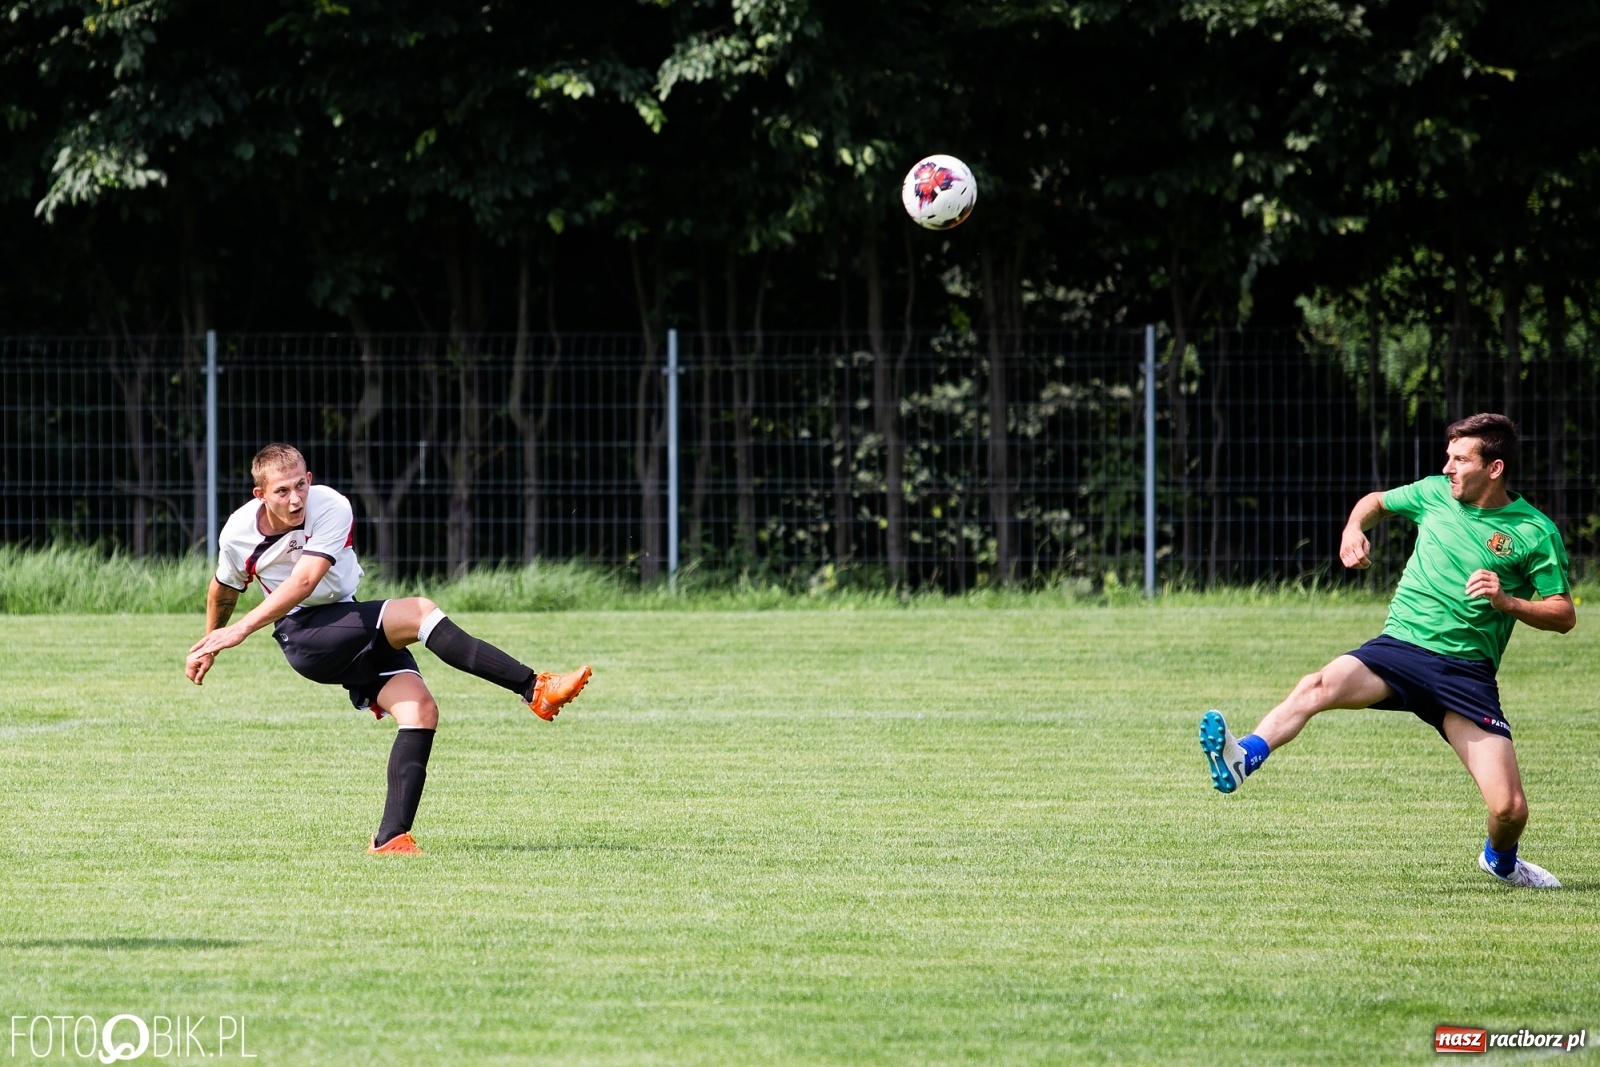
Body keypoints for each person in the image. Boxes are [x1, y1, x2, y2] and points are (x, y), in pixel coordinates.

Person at [1198, 413, 1575, 888]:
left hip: (1464, 674)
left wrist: (1508, 602)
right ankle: (1243, 757)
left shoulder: (1534, 531)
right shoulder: (1434, 493)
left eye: (1460, 459)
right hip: (1399, 649)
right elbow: (1375, 501)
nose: (1447, 468)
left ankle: (1500, 861)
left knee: (1510, 809)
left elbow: (1563, 614)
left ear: (1494, 468)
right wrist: (1353, 529)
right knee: (1317, 685)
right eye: (1448, 457)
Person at [185, 443, 591, 855]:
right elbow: (224, 589)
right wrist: (212, 643)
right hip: (306, 633)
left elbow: (306, 580)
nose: (295, 499)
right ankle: (534, 688)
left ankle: (391, 838)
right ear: (261, 495)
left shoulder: (330, 506)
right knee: (419, 612)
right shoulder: (238, 533)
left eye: (300, 485)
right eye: (282, 491)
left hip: (345, 618)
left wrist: (238, 631)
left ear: (309, 479)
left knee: (420, 710)